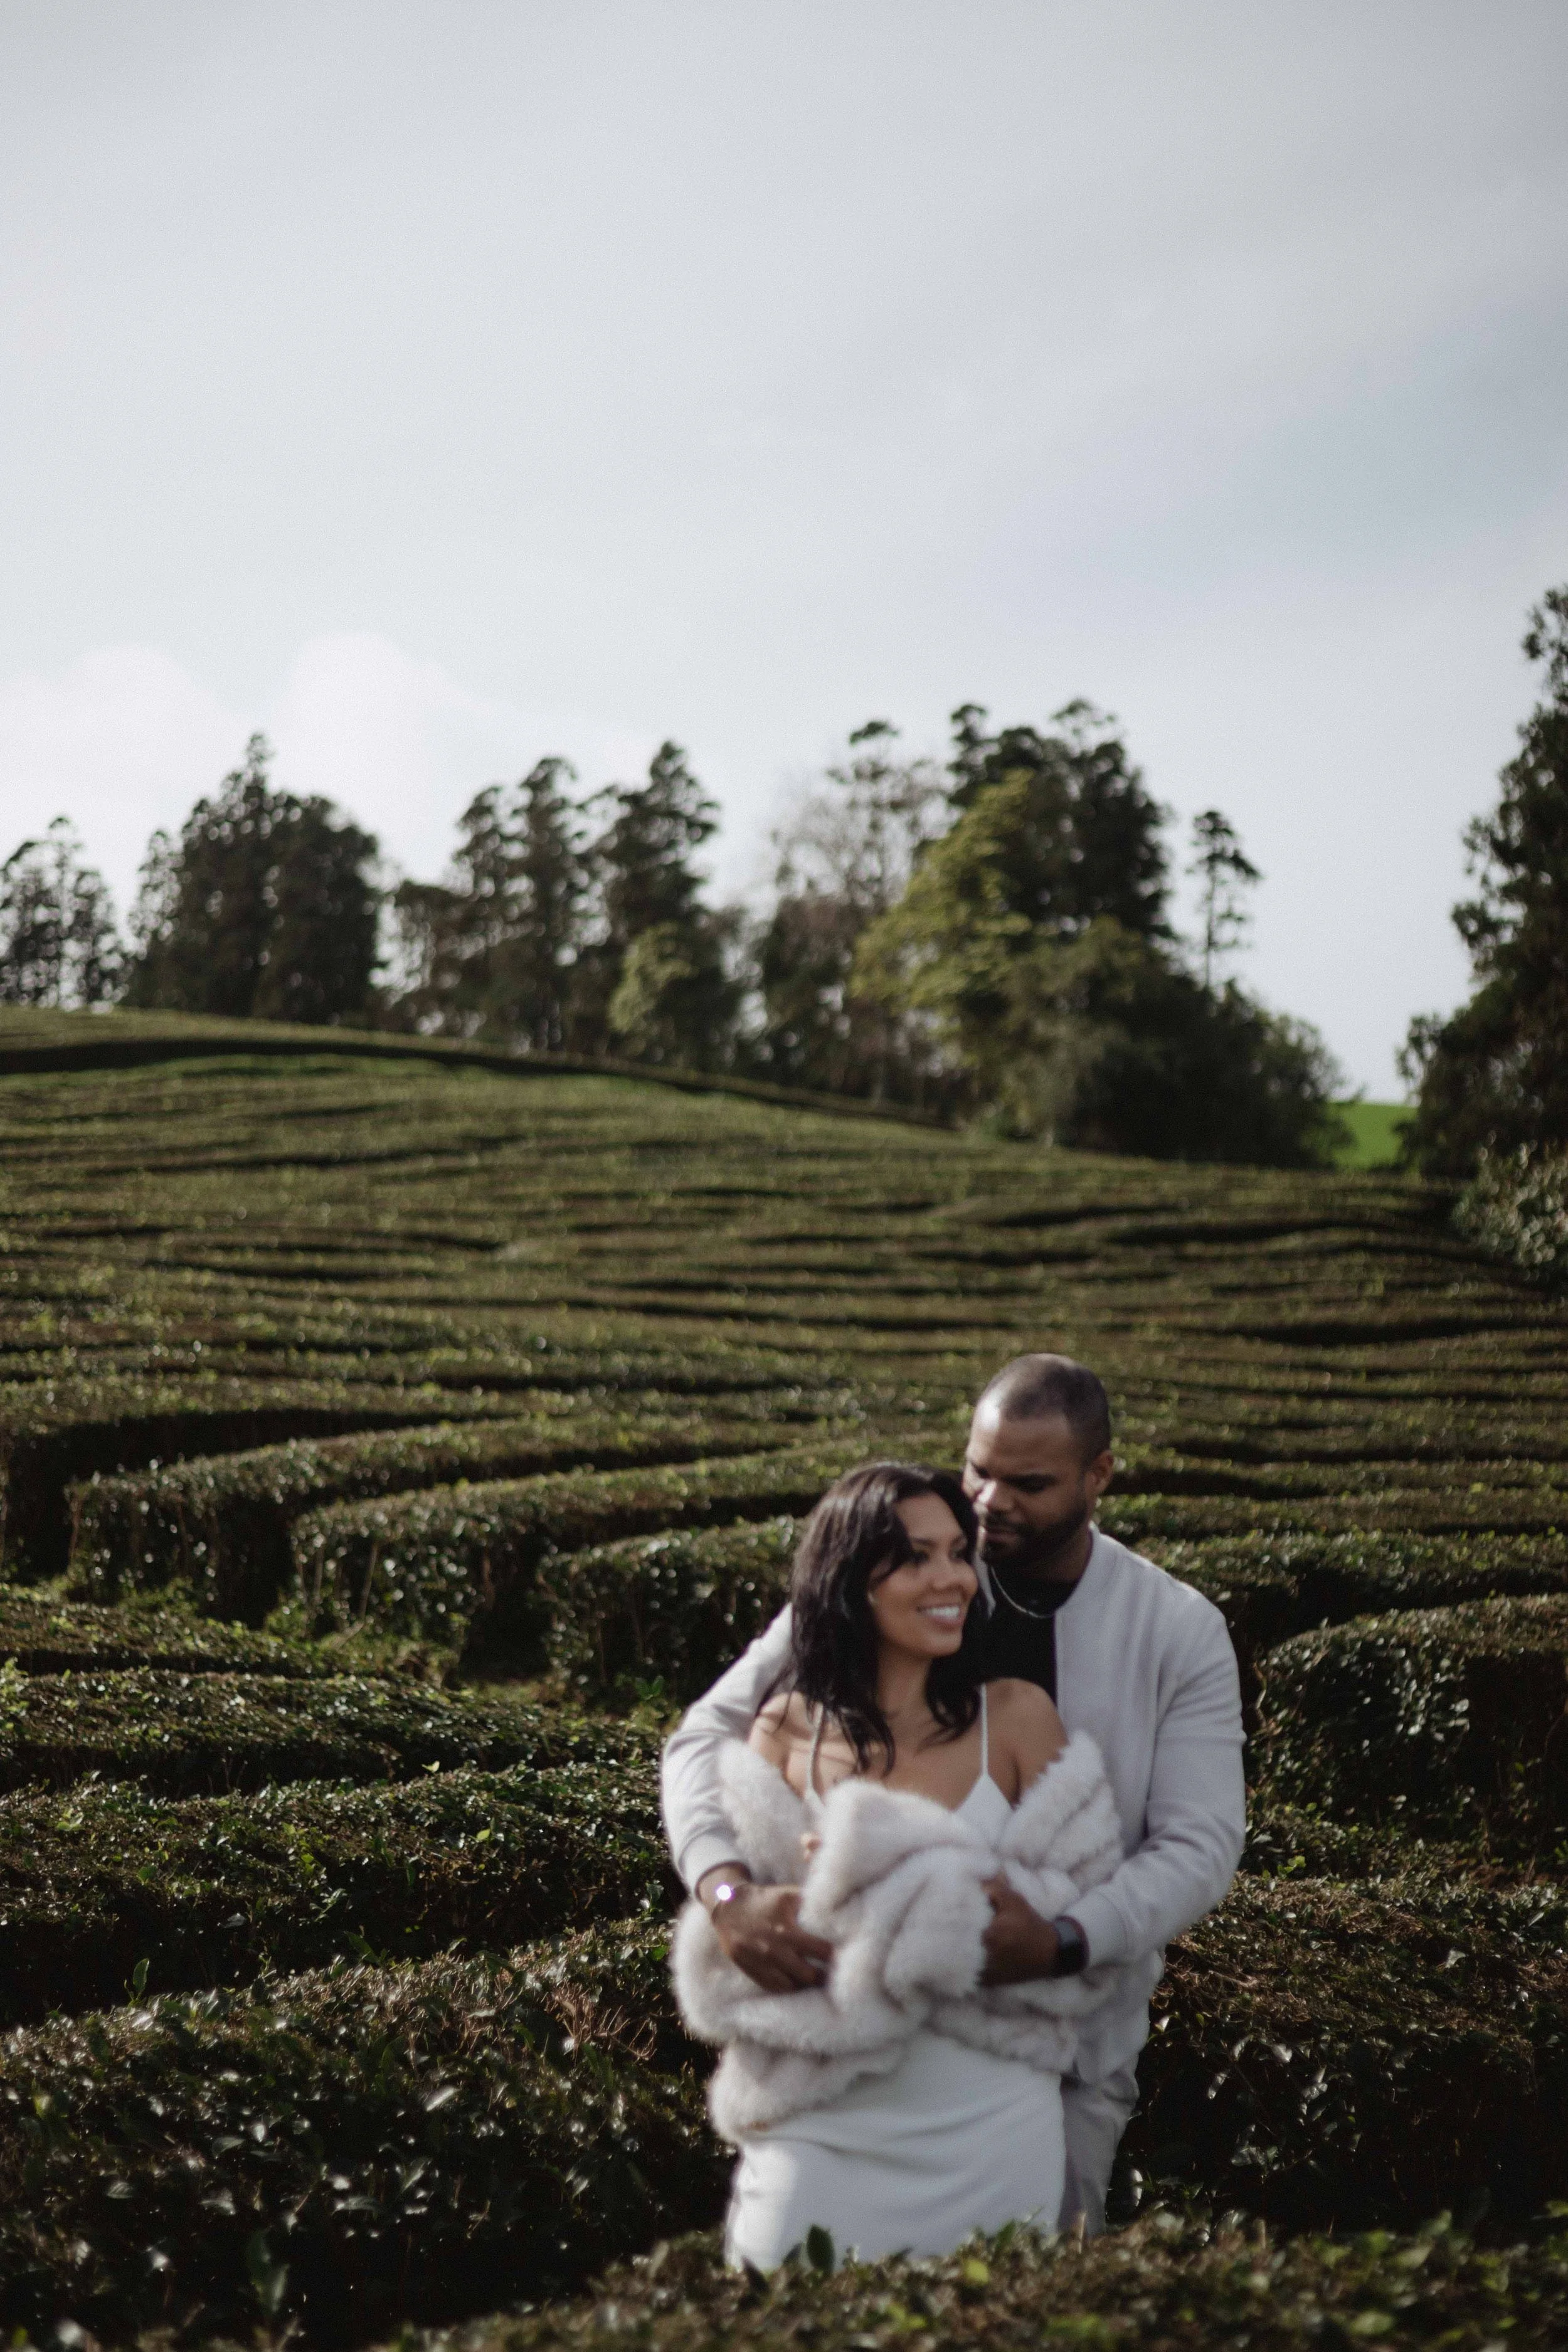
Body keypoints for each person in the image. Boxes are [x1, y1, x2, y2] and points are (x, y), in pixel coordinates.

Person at [661, 1353, 1247, 2237]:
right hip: (845, 2067)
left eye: (1029, 1482)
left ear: (1099, 1477)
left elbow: (1199, 1843)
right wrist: (725, 1890)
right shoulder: (890, 1575)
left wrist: (1060, 1939)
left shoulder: (1175, 1629)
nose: (988, 1500)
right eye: (979, 1468)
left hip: (1062, 2040)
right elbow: (705, 1738)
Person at [670, 1460, 1125, 2270]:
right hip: (819, 2117)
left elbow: (1086, 1913)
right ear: (852, 1582)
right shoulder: (782, 1731)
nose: (950, 1576)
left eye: (957, 1552)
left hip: (989, 2121)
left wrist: (901, 1877)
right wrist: (743, 1900)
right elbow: (759, 1933)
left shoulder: (1016, 1717)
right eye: (916, 1557)